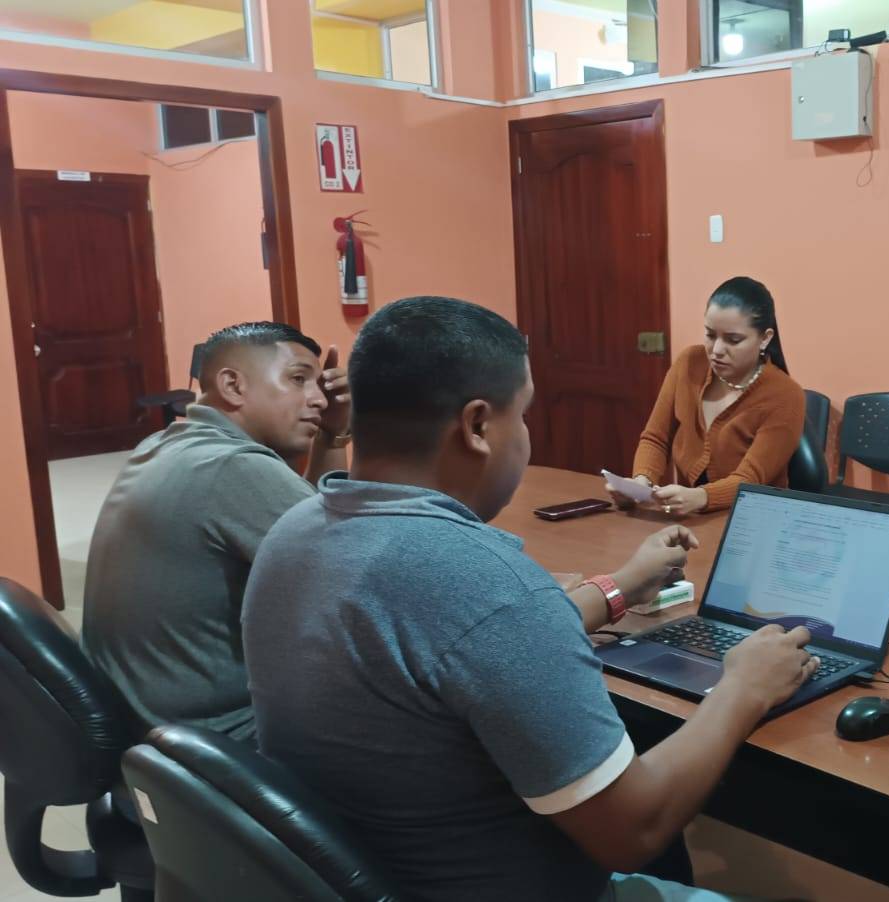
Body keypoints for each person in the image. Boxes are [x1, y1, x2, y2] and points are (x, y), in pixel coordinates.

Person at [242, 296, 818, 901]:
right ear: (476, 427)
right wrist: (743, 688)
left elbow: (456, 642)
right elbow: (636, 828)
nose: (526, 435)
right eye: (522, 415)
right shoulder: (491, 586)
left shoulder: (292, 532)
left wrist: (620, 586)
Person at [80, 322, 349, 742]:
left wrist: (332, 434)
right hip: (220, 738)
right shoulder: (233, 467)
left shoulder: (164, 443)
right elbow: (353, 571)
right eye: (299, 379)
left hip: (145, 725)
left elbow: (310, 523)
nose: (318, 399)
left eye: (319, 385)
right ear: (233, 386)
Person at [612, 277, 805, 517]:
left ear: (765, 338)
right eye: (710, 335)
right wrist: (641, 483)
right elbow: (656, 438)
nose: (717, 350)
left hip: (751, 519)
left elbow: (750, 479)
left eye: (733, 340)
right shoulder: (689, 364)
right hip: (689, 518)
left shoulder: (785, 395)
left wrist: (701, 497)